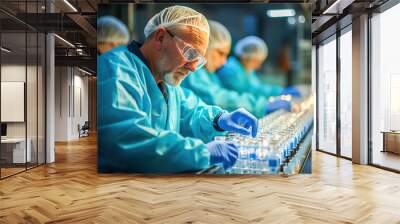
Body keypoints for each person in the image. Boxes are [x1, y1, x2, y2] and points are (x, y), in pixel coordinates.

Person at [98, 6, 258, 174]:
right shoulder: (114, 70)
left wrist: (219, 119)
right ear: (160, 37)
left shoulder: (166, 79)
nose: (194, 67)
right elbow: (126, 139)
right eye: (190, 53)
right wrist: (201, 152)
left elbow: (190, 111)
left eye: (199, 60)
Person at [181, 20, 291, 118]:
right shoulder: (193, 72)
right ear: (205, 46)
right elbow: (218, 98)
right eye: (221, 53)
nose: (224, 61)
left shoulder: (209, 73)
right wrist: (263, 104)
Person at [217, 36, 302, 98]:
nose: (258, 66)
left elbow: (258, 87)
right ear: (247, 58)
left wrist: (280, 91)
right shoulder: (231, 70)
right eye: (257, 62)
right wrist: (278, 93)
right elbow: (250, 91)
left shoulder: (246, 69)